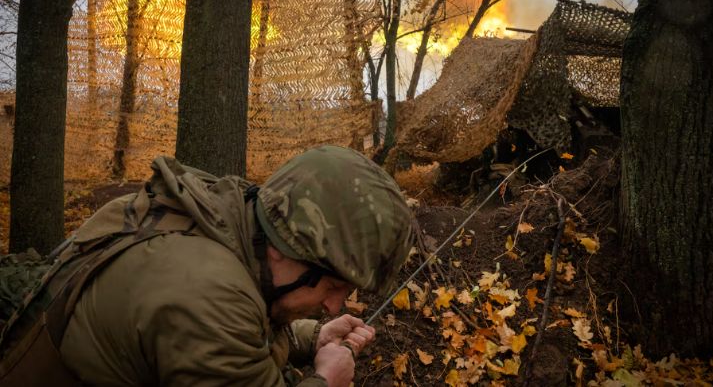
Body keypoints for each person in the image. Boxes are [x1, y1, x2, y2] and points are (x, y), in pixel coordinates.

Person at [0, 145, 414, 387]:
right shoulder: (204, 294)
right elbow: (219, 321)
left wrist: (311, 338)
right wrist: (325, 382)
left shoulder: (218, 215)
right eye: (332, 287)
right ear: (283, 250)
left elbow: (244, 317)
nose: (335, 306)